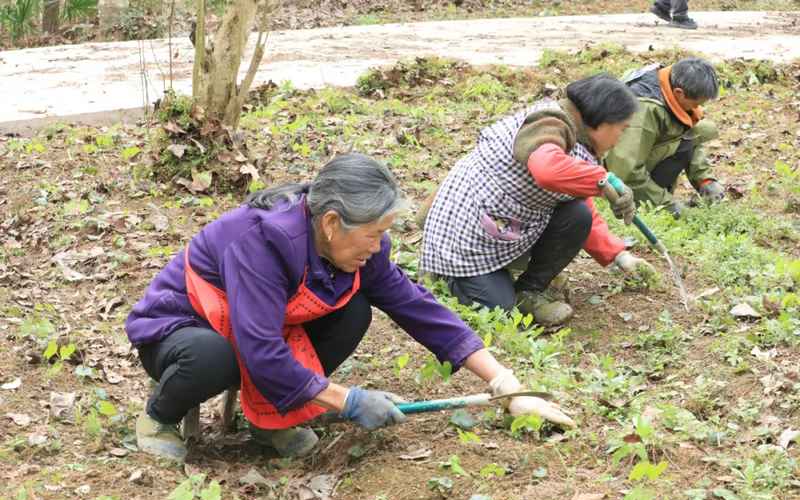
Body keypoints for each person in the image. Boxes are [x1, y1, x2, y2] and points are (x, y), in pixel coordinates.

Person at [125, 153, 575, 463]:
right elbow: (258, 348)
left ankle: (272, 420)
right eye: (373, 234)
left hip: (258, 328)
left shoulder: (358, 246)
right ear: (332, 222)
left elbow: (415, 306)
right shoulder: (258, 243)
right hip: (185, 327)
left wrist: (505, 384)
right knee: (211, 358)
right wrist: (345, 399)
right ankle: (159, 417)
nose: (379, 246)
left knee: (355, 309)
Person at [417, 74, 655, 327]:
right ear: (602, 121)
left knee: (577, 215)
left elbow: (579, 205)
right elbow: (548, 170)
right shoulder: (548, 124)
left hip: (500, 227)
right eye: (622, 129)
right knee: (499, 314)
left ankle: (529, 291)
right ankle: (443, 277)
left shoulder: (577, 137)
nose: (621, 138)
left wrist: (619, 256)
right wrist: (602, 179)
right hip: (464, 237)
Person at [605, 58, 721, 218]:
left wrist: (705, 180)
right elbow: (626, 171)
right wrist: (669, 206)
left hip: (639, 159)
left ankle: (657, 195)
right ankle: (648, 203)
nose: (697, 109)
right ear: (679, 93)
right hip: (612, 179)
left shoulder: (670, 82)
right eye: (695, 104)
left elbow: (689, 133)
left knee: (702, 130)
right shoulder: (643, 110)